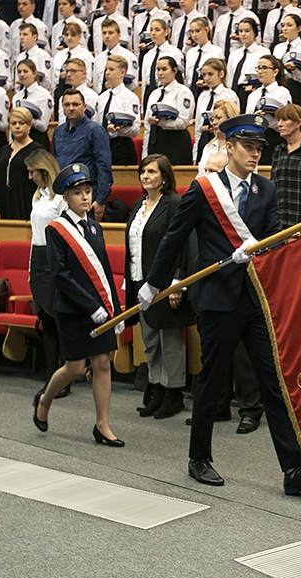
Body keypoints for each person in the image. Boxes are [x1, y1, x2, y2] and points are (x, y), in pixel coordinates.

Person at [138, 114, 301, 494]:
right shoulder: (203, 189)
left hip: (255, 298)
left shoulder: (267, 189)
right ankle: (199, 458)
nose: (255, 154)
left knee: (273, 383)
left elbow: (276, 236)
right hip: (217, 300)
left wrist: (263, 249)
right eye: (248, 147)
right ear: (228, 147)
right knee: (210, 383)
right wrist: (153, 282)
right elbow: (174, 239)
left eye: (260, 148)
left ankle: (293, 469)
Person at [35, 163, 125, 446]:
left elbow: (105, 270)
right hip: (73, 309)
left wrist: (115, 309)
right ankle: (45, 399)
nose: (85, 197)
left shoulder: (95, 227)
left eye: (88, 191)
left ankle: (102, 425)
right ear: (66, 197)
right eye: (77, 193)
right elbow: (60, 275)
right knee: (74, 368)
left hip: (101, 308)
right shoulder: (56, 230)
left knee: (102, 364)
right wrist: (90, 306)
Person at [126, 154, 194, 419]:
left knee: (170, 341)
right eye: (143, 172)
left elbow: (182, 243)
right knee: (150, 340)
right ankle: (156, 387)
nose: (146, 177)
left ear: (164, 177)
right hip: (140, 280)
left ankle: (173, 392)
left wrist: (179, 281)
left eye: (152, 172)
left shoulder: (174, 203)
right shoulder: (138, 206)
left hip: (165, 284)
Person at [24, 148, 67, 395]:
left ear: (44, 170)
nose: (30, 176)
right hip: (39, 258)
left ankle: (65, 374)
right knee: (46, 321)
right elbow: (34, 236)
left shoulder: (59, 197)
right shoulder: (38, 196)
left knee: (59, 319)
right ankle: (52, 376)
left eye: (33, 172)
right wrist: (31, 269)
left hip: (55, 257)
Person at [52, 89, 113, 220]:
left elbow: (104, 166)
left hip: (87, 197)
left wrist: (101, 199)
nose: (71, 108)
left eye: (75, 104)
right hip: (63, 196)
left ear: (84, 107)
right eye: (67, 105)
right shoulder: (58, 131)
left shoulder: (95, 130)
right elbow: (54, 163)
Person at [142, 56, 195, 165]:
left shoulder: (183, 92)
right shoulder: (154, 94)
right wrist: (145, 151)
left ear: (174, 70)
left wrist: (161, 122)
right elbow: (147, 125)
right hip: (156, 140)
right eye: (158, 69)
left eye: (164, 69)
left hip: (175, 142)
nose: (160, 73)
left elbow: (183, 122)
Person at [0, 107, 42, 220]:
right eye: (13, 123)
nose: (17, 126)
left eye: (22, 123)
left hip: (27, 202)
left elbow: (42, 183)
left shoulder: (37, 150)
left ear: (29, 126)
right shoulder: (4, 150)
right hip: (6, 203)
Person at [245, 54, 291, 165]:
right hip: (255, 138)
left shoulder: (282, 93)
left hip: (274, 138)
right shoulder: (253, 95)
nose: (260, 72)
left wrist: (268, 118)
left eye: (264, 68)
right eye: (259, 68)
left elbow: (287, 120)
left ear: (275, 72)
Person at [193, 58, 239, 164]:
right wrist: (195, 153)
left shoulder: (229, 95)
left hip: (222, 137)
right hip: (205, 139)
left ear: (221, 73)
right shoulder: (203, 96)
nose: (207, 78)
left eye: (210, 74)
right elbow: (197, 128)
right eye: (204, 75)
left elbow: (233, 120)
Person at [97, 55, 141, 165]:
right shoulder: (102, 97)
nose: (107, 72)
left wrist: (119, 130)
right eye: (106, 69)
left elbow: (135, 130)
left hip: (120, 146)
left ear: (122, 73)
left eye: (111, 69)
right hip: (102, 146)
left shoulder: (130, 98)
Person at [226, 18, 269, 112]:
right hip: (236, 91)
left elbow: (266, 75)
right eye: (240, 31)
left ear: (254, 32)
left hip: (252, 91)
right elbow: (229, 78)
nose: (243, 34)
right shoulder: (234, 54)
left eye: (247, 31)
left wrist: (256, 87)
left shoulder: (263, 52)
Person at [140, 18, 184, 108]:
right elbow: (144, 82)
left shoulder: (175, 53)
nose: (153, 33)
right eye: (151, 30)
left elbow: (179, 78)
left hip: (168, 92)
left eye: (157, 30)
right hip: (150, 92)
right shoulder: (148, 55)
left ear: (166, 32)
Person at [272, 13, 301, 108]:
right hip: (280, 87)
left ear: (299, 28)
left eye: (289, 25)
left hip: (297, 88)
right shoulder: (278, 48)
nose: (285, 28)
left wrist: (294, 70)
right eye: (283, 25)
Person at [13, 58, 53, 148]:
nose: (22, 74)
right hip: (19, 141)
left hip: (37, 139)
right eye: (19, 72)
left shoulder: (43, 95)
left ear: (34, 73)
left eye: (25, 71)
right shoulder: (17, 97)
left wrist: (26, 120)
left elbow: (43, 126)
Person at [93, 18, 139, 95]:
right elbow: (96, 85)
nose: (107, 36)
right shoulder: (99, 58)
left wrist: (115, 86)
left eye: (110, 33)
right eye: (104, 33)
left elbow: (133, 84)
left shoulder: (128, 57)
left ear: (119, 34)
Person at [183, 17, 223, 101]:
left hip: (207, 90)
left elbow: (221, 76)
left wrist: (205, 82)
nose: (194, 35)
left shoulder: (216, 51)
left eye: (197, 31)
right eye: (192, 31)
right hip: (191, 91)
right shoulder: (190, 53)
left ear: (206, 29)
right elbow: (187, 77)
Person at [196, 98, 238, 176]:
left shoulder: (238, 147)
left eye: (218, 118)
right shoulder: (208, 146)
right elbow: (200, 174)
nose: (214, 122)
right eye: (212, 119)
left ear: (230, 118)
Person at [56, 57, 99, 124]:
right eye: (67, 71)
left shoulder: (92, 97)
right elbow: (61, 123)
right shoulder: (63, 97)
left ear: (83, 74)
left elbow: (95, 123)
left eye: (73, 71)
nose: (68, 75)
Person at [14, 23, 54, 92]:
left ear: (34, 37)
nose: (21, 37)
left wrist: (30, 82)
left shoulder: (43, 55)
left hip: (39, 95)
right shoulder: (20, 57)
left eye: (25, 34)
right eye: (20, 34)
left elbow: (48, 83)